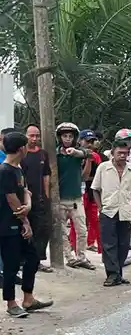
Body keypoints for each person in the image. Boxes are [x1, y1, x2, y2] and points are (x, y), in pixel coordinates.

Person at [0, 131, 52, 317]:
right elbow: (12, 200)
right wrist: (25, 221)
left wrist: (27, 207)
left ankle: (28, 299)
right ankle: (11, 303)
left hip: (20, 221)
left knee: (32, 258)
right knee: (11, 265)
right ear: (21, 148)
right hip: (7, 225)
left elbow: (25, 193)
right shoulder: (5, 171)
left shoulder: (17, 169)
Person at [91, 137, 131, 287]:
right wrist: (100, 208)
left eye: (126, 153)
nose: (123, 155)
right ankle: (111, 274)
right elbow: (95, 189)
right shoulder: (103, 168)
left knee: (123, 244)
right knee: (109, 244)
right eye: (120, 152)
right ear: (112, 153)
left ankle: (118, 273)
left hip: (125, 211)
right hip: (108, 210)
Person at [55, 122, 95, 270]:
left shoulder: (78, 154)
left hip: (76, 198)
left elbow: (84, 176)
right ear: (60, 137)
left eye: (70, 136)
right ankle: (69, 258)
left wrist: (88, 160)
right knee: (62, 232)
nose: (67, 139)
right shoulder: (55, 154)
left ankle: (82, 257)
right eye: (64, 136)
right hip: (60, 198)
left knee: (82, 230)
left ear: (74, 138)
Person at [21, 125, 53, 273]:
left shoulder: (43, 154)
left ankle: (38, 260)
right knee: (25, 229)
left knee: (41, 229)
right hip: (24, 198)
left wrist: (46, 195)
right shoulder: (21, 154)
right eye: (31, 136)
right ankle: (23, 260)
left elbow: (46, 175)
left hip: (39, 199)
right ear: (26, 136)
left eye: (37, 136)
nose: (34, 139)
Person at [79, 130, 102, 252]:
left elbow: (98, 176)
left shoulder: (96, 156)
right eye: (87, 141)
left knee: (94, 220)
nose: (89, 144)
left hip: (91, 191)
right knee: (77, 222)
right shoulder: (74, 155)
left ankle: (97, 245)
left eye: (92, 141)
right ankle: (76, 248)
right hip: (79, 191)